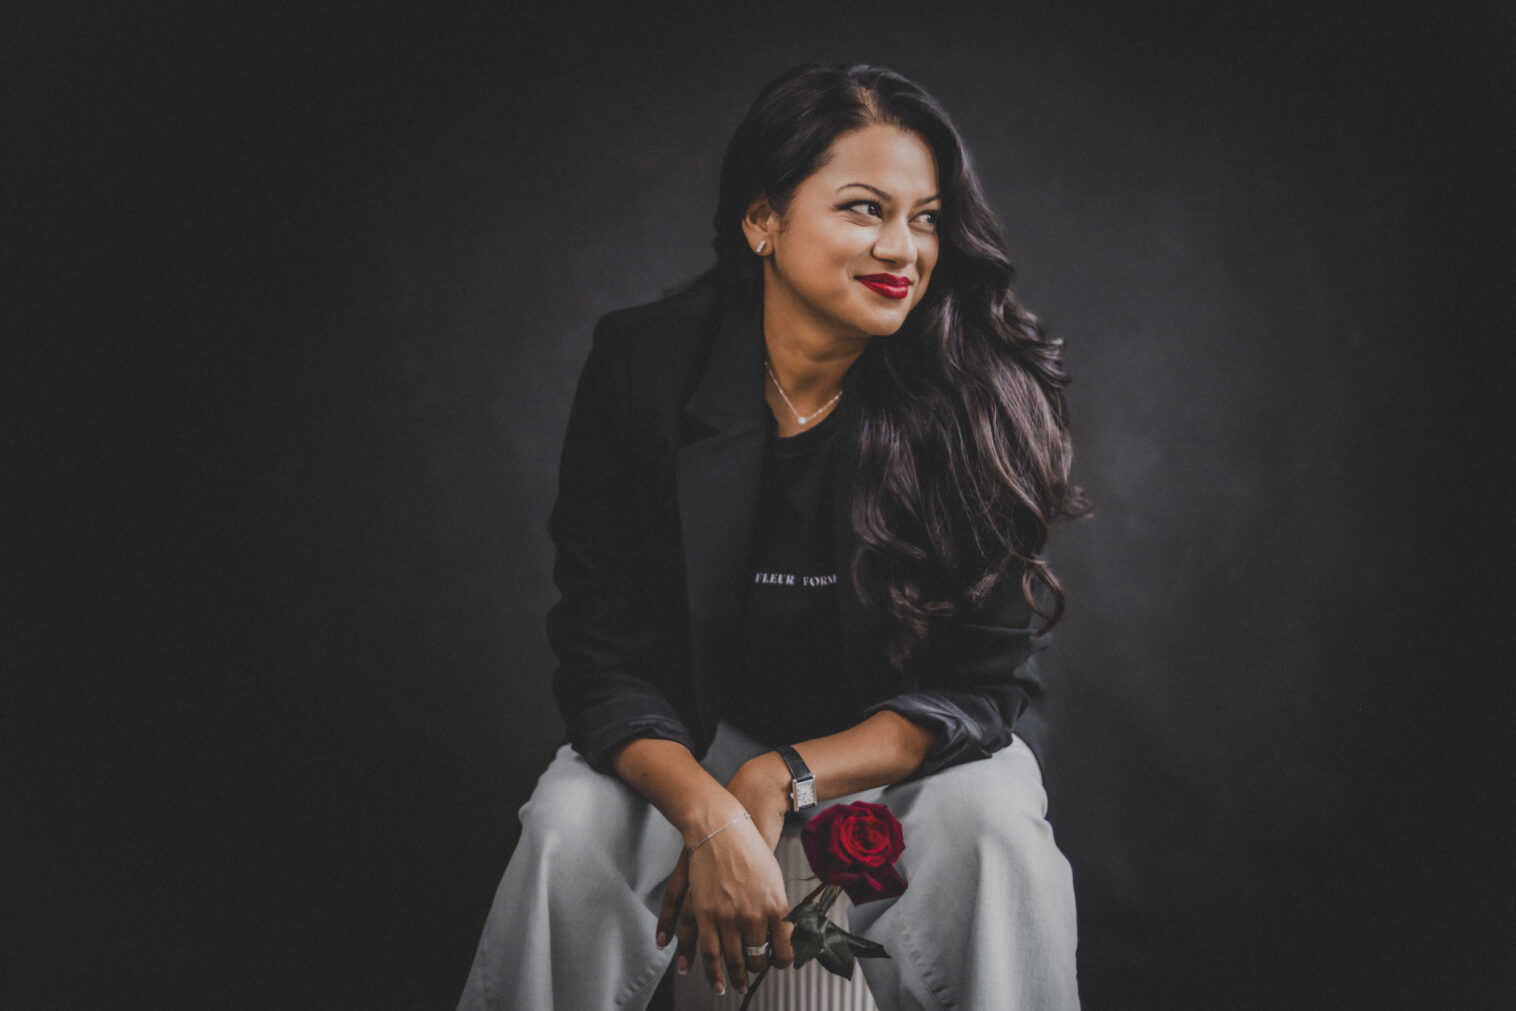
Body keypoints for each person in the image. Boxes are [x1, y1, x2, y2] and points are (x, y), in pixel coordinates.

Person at [459, 63, 1087, 1010]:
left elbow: (983, 683)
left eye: (924, 217)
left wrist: (787, 775)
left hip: (890, 760)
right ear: (764, 220)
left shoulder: (977, 393)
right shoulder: (645, 366)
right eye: (864, 208)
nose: (902, 249)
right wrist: (712, 810)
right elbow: (602, 650)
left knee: (999, 829)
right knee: (564, 822)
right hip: (694, 742)